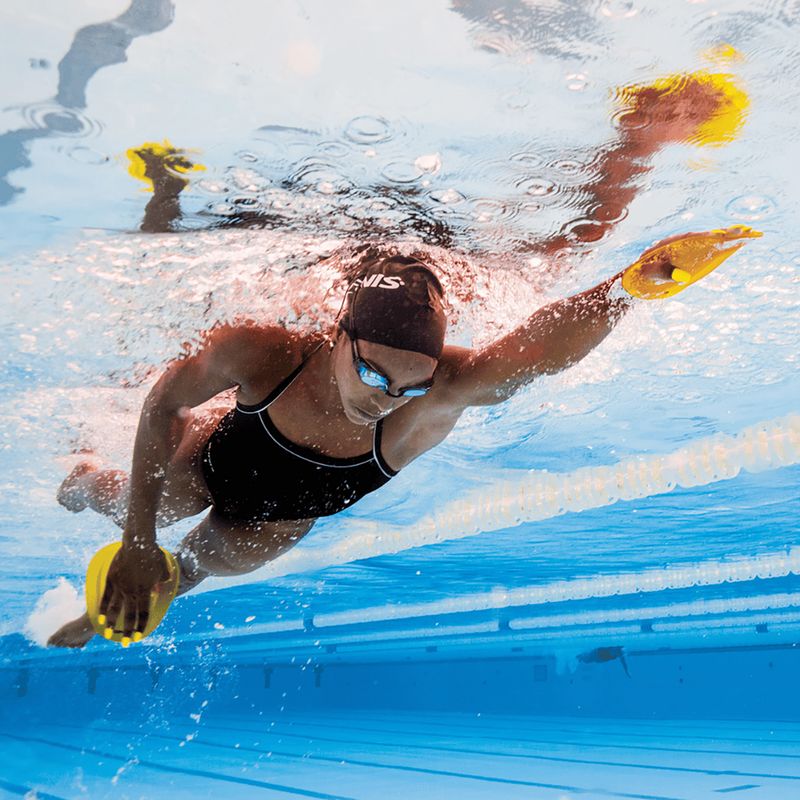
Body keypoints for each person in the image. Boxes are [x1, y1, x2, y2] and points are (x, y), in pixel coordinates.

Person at [48, 71, 757, 648]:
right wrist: (137, 539)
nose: (386, 398)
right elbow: (163, 402)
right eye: (374, 374)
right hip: (211, 461)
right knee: (140, 503)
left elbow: (537, 352)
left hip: (281, 520)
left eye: (408, 386)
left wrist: (630, 287)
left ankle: (644, 131)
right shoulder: (263, 349)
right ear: (335, 339)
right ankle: (82, 474)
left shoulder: (438, 391)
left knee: (198, 566)